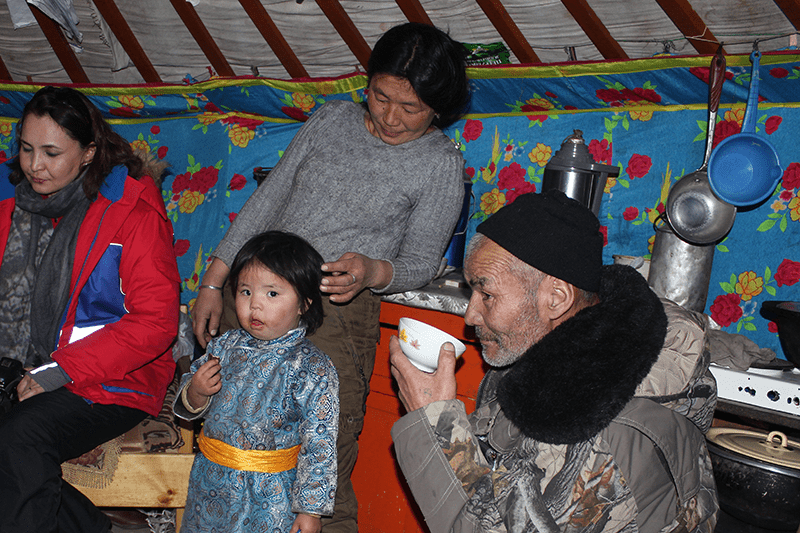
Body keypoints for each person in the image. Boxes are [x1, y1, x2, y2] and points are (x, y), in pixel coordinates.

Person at [191, 21, 471, 532]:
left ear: (438, 107)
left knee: (321, 465)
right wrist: (215, 281)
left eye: (410, 108)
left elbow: (422, 261)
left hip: (335, 313)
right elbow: (268, 201)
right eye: (381, 96)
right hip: (255, 292)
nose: (390, 117)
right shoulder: (331, 119)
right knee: (226, 434)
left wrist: (372, 270)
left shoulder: (439, 163)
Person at [389, 190, 719, 533]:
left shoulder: (596, 429)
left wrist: (434, 422)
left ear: (557, 298)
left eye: (486, 294)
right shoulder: (556, 354)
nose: (470, 315)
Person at [0, 86, 180, 532]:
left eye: (51, 153)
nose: (34, 165)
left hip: (111, 381)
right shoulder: (10, 207)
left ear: (88, 153)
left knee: (21, 436)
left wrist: (60, 370)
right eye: (26, 149)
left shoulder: (131, 214)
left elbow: (156, 323)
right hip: (23, 368)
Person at [175, 231, 339, 533]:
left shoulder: (312, 367)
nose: (255, 305)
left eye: (272, 294)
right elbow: (190, 401)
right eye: (246, 292)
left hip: (270, 496)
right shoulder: (223, 346)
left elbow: (320, 444)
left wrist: (310, 510)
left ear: (304, 303)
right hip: (210, 482)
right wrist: (196, 392)